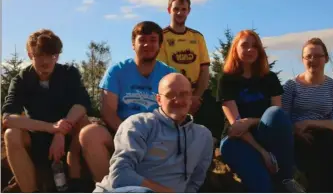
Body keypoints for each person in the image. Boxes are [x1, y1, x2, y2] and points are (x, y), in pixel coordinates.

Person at [79, 21, 177, 183]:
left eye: (153, 40)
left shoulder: (169, 74)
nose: (147, 44)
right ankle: (110, 187)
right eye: (142, 39)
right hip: (120, 130)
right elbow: (108, 112)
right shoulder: (117, 71)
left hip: (158, 134)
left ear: (160, 44)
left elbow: (176, 111)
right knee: (89, 134)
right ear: (133, 44)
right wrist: (131, 135)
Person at [2, 29, 93, 192]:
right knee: (11, 134)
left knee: (85, 123)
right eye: (39, 55)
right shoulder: (21, 79)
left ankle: (76, 179)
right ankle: (31, 190)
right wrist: (51, 128)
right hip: (37, 135)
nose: (46, 61)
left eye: (52, 55)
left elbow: (82, 104)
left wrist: (60, 131)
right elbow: (8, 118)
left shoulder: (69, 73)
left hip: (68, 134)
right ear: (30, 55)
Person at [216, 30, 305, 193]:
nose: (250, 50)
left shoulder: (269, 78)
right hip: (238, 140)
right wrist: (263, 153)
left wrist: (251, 121)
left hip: (266, 134)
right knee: (263, 186)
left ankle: (287, 178)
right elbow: (236, 127)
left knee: (276, 115)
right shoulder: (227, 80)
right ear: (235, 48)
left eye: (255, 46)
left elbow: (276, 117)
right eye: (245, 45)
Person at [93, 73, 213, 193]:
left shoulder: (203, 136)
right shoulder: (139, 124)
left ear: (190, 98)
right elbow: (119, 175)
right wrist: (165, 192)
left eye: (184, 94)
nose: (178, 100)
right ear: (159, 99)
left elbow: (195, 182)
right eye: (170, 95)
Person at [282, 38, 333, 192]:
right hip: (298, 137)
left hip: (326, 135)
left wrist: (309, 123)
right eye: (308, 56)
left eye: (317, 56)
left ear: (326, 58)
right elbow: (282, 117)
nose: (313, 60)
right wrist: (296, 131)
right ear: (302, 60)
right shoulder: (290, 86)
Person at [157, 0, 210, 117]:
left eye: (183, 9)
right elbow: (161, 71)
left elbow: (205, 70)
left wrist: (195, 97)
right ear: (169, 10)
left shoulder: (197, 37)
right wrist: (178, 98)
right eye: (176, 9)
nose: (180, 13)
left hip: (197, 96)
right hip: (171, 96)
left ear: (189, 11)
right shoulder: (161, 36)